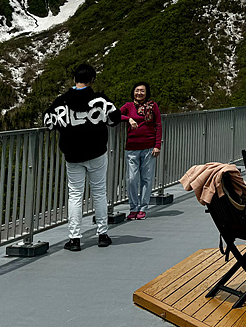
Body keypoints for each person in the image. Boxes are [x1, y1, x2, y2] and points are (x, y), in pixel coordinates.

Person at [43, 63, 121, 251]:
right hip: (97, 152)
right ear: (92, 80)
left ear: (74, 79)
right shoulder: (99, 100)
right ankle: (102, 234)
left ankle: (75, 238)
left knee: (75, 196)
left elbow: (48, 121)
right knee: (99, 192)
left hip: (73, 155)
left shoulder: (62, 101)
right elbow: (115, 118)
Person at [119, 81, 162, 221]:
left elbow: (158, 125)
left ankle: (143, 208)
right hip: (132, 148)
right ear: (133, 92)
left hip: (149, 147)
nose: (139, 93)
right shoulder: (128, 106)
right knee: (131, 179)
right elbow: (115, 115)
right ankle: (133, 208)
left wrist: (157, 145)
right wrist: (129, 119)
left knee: (146, 179)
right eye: (137, 90)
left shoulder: (153, 106)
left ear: (146, 93)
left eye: (142, 91)